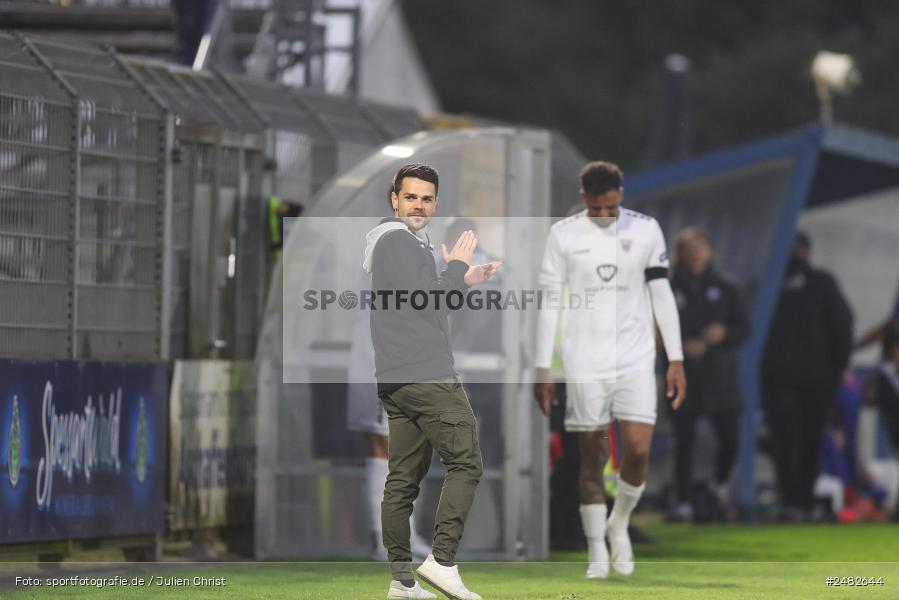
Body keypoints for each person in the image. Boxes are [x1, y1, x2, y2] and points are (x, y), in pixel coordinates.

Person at [534, 161, 686, 579]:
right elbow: (549, 303)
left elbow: (661, 293)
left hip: (635, 358)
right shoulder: (563, 235)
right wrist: (543, 366)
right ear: (583, 198)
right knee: (592, 457)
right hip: (584, 360)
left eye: (610, 207)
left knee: (638, 451)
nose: (603, 215)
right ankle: (596, 550)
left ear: (621, 194)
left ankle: (618, 523)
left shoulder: (646, 230)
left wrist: (676, 358)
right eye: (595, 208)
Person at [362, 163, 500, 600]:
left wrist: (463, 278)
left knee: (403, 479)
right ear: (394, 199)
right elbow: (430, 300)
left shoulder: (396, 242)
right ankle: (441, 562)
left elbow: (426, 302)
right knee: (466, 463)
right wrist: (456, 265)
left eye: (426, 198)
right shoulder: (399, 241)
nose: (418, 205)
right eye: (410, 197)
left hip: (397, 377)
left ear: (435, 203)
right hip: (426, 374)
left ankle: (402, 582)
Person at [761, 231, 853, 520]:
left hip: (809, 381)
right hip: (786, 380)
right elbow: (844, 326)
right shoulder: (771, 283)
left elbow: (842, 326)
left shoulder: (819, 283)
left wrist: (836, 370)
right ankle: (795, 500)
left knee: (804, 439)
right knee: (790, 439)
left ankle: (799, 500)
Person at [669, 227, 749, 521]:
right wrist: (678, 346)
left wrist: (723, 333)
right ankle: (683, 502)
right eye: (687, 250)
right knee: (683, 443)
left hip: (720, 378)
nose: (694, 255)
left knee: (731, 438)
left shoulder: (727, 288)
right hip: (683, 377)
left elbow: (744, 328)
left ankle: (720, 484)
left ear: (709, 251)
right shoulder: (667, 288)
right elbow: (652, 328)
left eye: (698, 248)